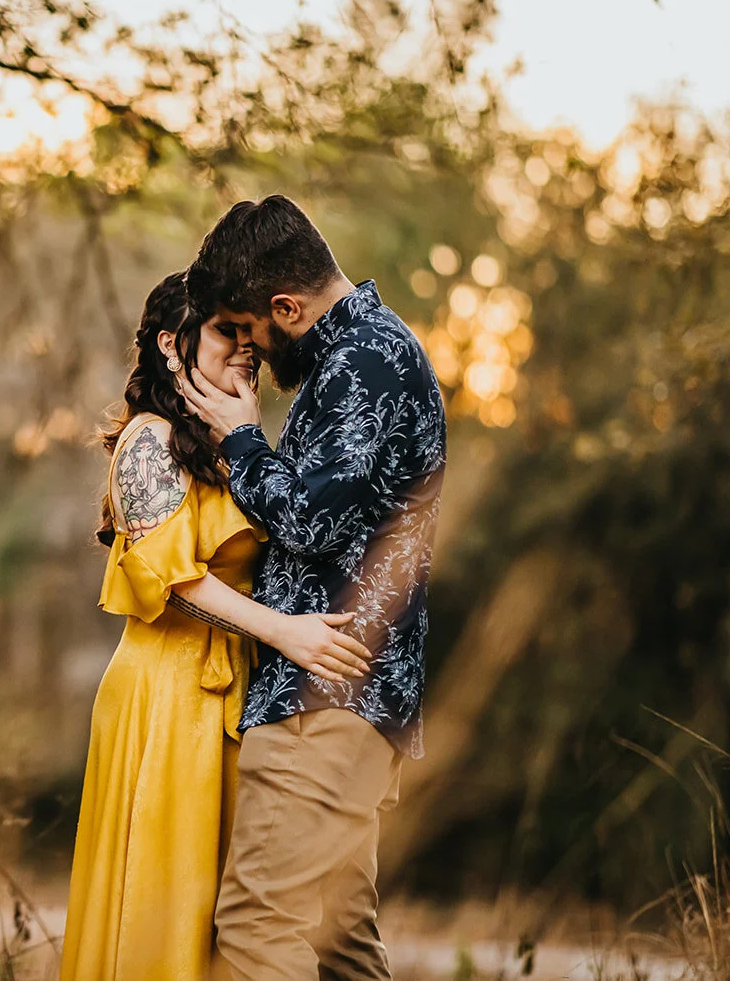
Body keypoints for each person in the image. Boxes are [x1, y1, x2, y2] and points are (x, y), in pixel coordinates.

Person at [59, 270, 375, 981]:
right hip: (165, 693)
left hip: (237, 687)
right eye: (226, 331)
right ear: (172, 343)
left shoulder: (231, 439)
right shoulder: (149, 440)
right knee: (164, 899)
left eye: (248, 330)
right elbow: (172, 580)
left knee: (233, 913)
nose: (246, 345)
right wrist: (286, 632)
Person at [178, 195, 447, 981]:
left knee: (259, 929)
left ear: (286, 306)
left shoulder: (364, 361)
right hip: (346, 704)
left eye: (245, 327)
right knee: (342, 949)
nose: (247, 353)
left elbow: (310, 521)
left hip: (321, 706)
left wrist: (239, 439)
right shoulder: (365, 354)